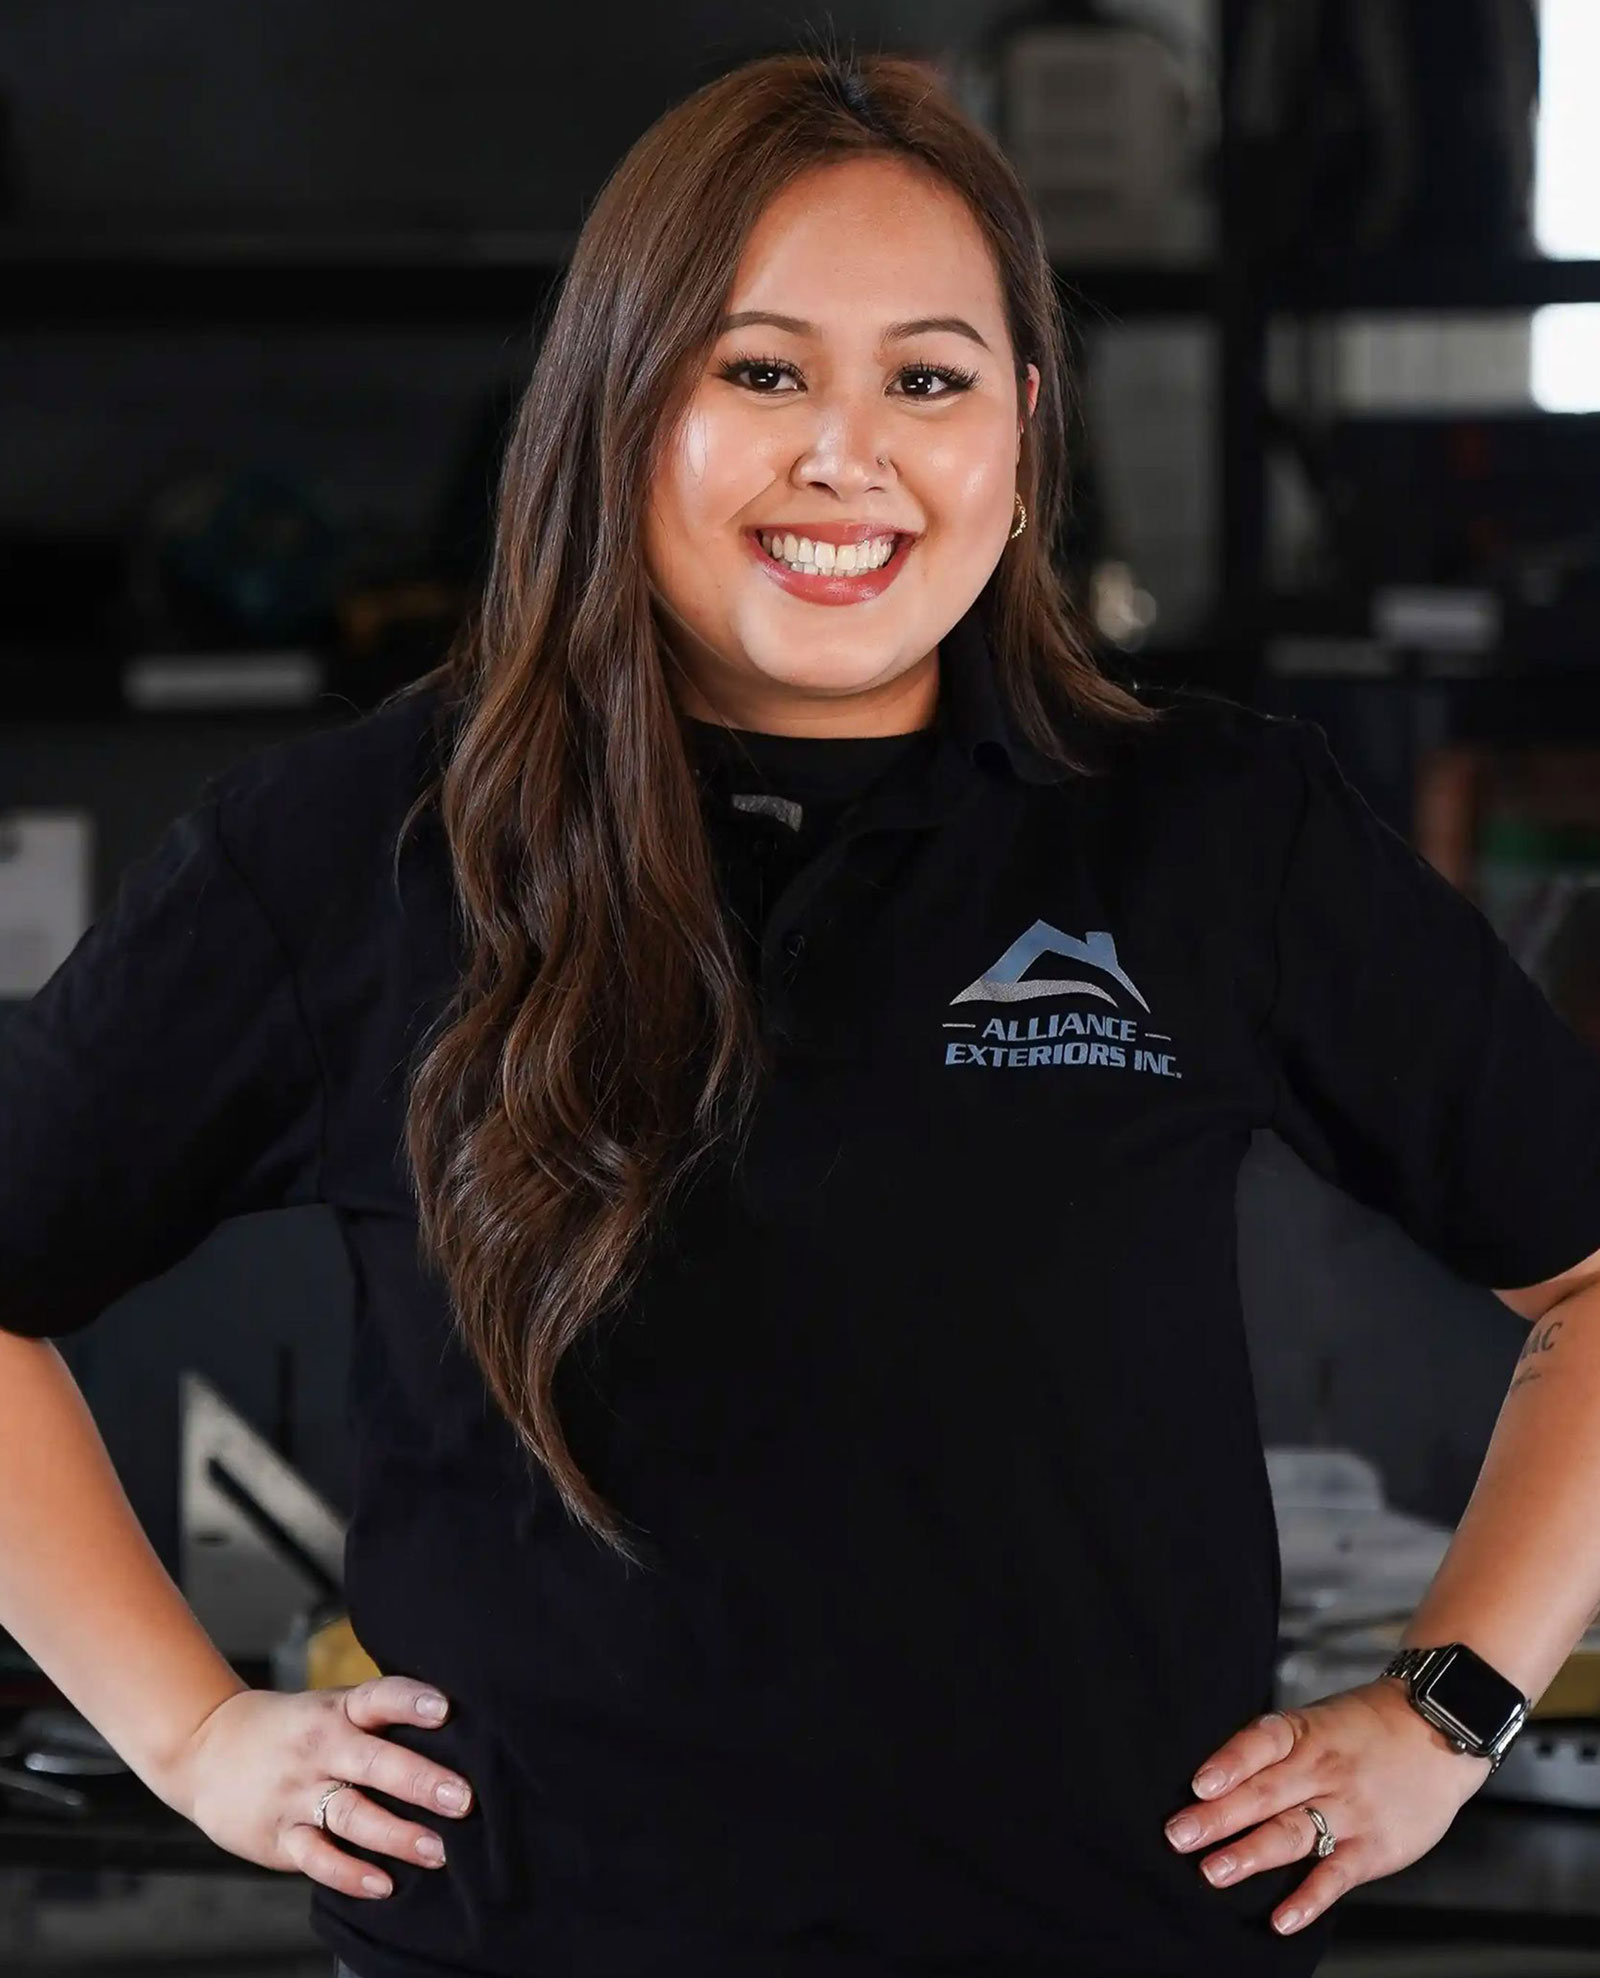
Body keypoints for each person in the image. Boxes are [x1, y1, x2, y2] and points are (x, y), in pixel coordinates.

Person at [4, 48, 1600, 1978]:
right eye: (759, 373)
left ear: (1024, 423)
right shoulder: (360, 849)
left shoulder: (1215, 833)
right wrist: (188, 1733)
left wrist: (1448, 1712)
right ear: (618, 401)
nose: (849, 457)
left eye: (928, 380)